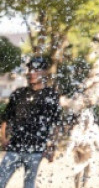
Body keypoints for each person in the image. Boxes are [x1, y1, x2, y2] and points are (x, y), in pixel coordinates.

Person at [0, 56, 63, 188]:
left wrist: (52, 147)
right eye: (30, 69)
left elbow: (56, 124)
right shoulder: (18, 94)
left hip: (36, 151)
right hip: (14, 148)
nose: (31, 73)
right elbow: (5, 119)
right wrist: (3, 139)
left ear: (44, 72)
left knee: (29, 185)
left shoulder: (51, 95)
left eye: (36, 70)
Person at [64, 110, 99, 188]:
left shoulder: (94, 127)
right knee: (77, 170)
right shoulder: (77, 128)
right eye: (85, 118)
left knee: (87, 170)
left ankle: (84, 186)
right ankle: (77, 186)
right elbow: (72, 140)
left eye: (88, 118)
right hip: (79, 150)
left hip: (89, 150)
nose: (86, 120)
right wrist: (68, 151)